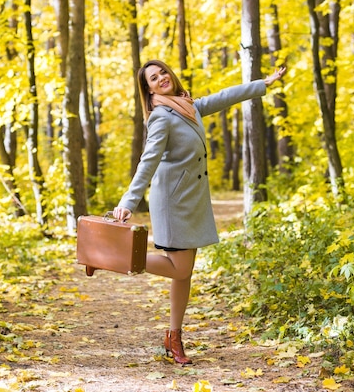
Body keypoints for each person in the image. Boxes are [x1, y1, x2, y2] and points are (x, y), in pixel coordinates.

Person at [113, 60, 286, 365]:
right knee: (180, 269)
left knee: (183, 274)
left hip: (190, 199)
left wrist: (262, 84)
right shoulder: (161, 117)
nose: (161, 78)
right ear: (149, 89)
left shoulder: (186, 105)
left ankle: (174, 336)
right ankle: (117, 257)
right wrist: (129, 201)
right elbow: (148, 161)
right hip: (173, 201)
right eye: (153, 78)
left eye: (163, 72)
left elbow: (223, 97)